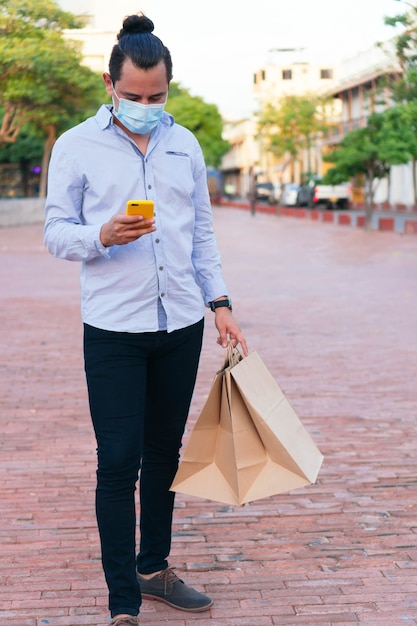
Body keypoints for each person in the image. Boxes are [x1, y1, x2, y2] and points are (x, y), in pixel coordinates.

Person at [44, 13, 248, 626]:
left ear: (168, 88)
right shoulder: (77, 145)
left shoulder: (184, 143)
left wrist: (221, 305)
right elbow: (56, 232)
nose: (145, 105)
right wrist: (101, 235)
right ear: (110, 84)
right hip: (113, 328)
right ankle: (122, 601)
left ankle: (154, 566)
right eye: (133, 96)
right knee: (118, 459)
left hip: (180, 322)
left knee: (165, 451)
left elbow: (201, 235)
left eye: (157, 96)